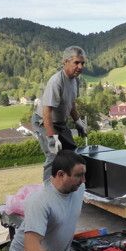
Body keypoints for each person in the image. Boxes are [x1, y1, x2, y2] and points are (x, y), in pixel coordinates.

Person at [32, 46, 89, 181]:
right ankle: (48, 193)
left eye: (82, 63)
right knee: (54, 156)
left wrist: (78, 122)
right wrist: (52, 137)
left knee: (71, 153)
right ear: (65, 62)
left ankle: (69, 186)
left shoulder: (75, 80)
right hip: (44, 121)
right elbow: (47, 111)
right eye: (76, 63)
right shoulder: (56, 81)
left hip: (60, 123)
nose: (80, 67)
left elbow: (71, 103)